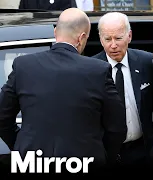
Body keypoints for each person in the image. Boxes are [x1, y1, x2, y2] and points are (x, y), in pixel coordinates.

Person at [0, 8, 127, 171]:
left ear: (55, 32)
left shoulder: (23, 65)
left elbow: (2, 116)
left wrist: (23, 146)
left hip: (32, 164)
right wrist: (100, 154)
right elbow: (117, 128)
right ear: (82, 38)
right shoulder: (98, 70)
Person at [92, 12, 153, 167]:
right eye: (107, 39)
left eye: (118, 38)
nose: (113, 45)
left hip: (145, 151)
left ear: (129, 36)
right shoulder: (91, 69)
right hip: (106, 154)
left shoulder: (147, 62)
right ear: (100, 39)